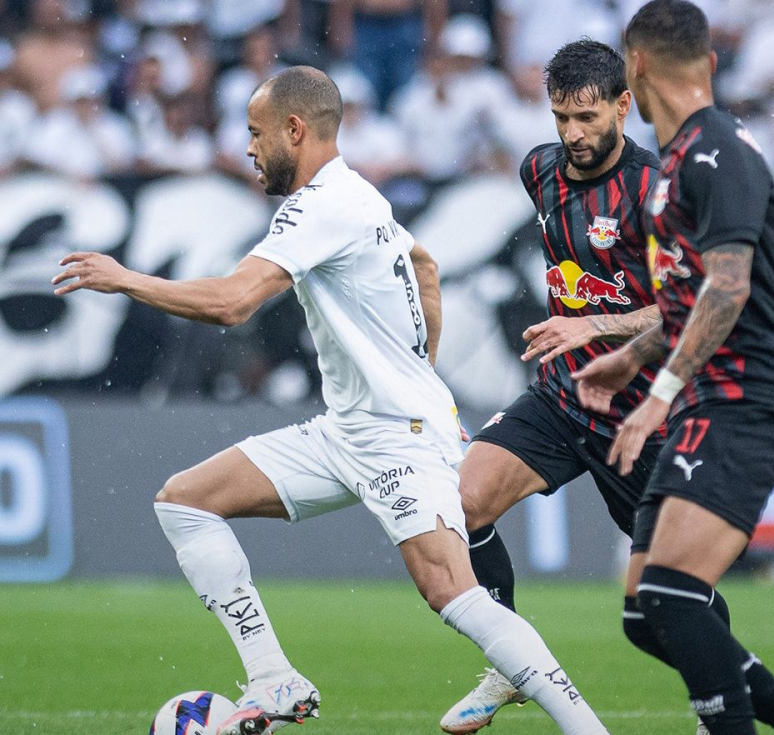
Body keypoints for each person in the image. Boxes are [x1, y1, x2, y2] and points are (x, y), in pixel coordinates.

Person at [52, 66, 611, 735]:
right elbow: (425, 265)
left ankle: (587, 728)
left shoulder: (320, 205)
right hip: (348, 429)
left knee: (451, 593)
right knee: (184, 499)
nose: (249, 149)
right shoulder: (358, 195)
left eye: (256, 134)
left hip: (399, 436)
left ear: (296, 128)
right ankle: (273, 678)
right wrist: (413, 366)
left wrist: (125, 280)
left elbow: (233, 303)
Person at [573, 3, 774, 735]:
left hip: (748, 397)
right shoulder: (675, 164)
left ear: (633, 69)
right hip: (707, 398)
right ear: (707, 61)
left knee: (671, 595)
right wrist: (628, 358)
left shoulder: (720, 151)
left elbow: (728, 288)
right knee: (647, 613)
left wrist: (655, 394)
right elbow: (685, 301)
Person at [440, 39, 664, 734]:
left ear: (624, 105)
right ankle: (511, 659)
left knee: (669, 600)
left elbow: (681, 310)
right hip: (563, 397)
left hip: (641, 414)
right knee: (461, 501)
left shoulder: (657, 191)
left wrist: (592, 324)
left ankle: (726, 706)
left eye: (588, 118)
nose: (573, 134)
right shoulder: (539, 170)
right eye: (561, 116)